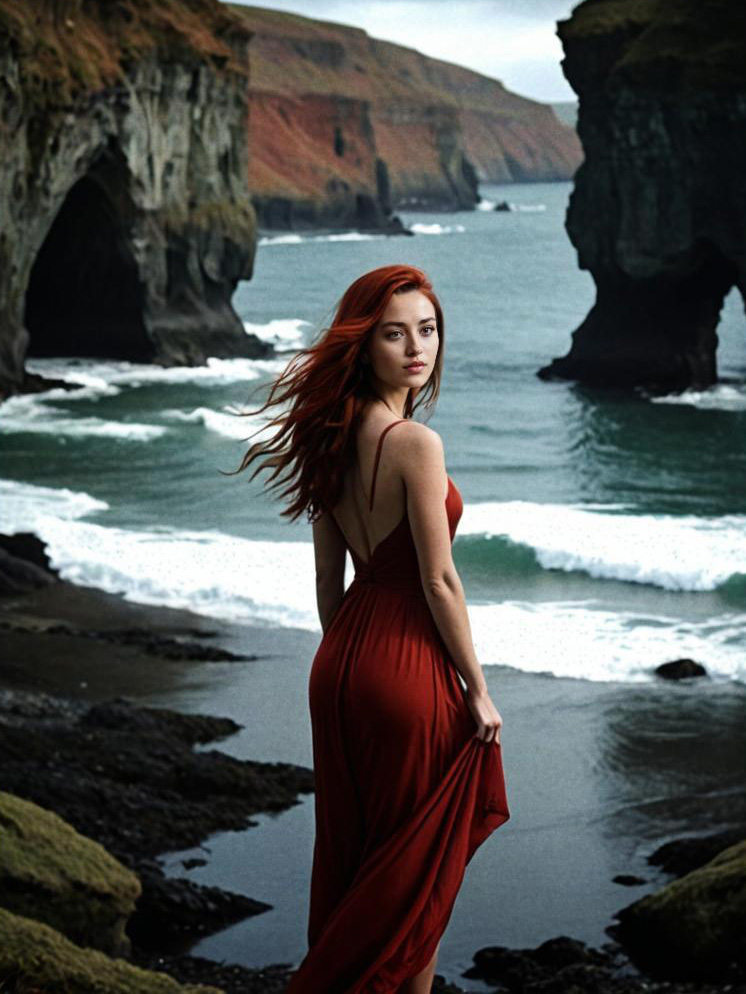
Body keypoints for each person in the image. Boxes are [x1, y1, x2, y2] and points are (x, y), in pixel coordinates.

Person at [227, 263, 510, 993]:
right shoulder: (415, 444)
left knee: (360, 861)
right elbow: (438, 579)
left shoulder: (329, 434)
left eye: (429, 328)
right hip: (406, 673)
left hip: (341, 664)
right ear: (365, 344)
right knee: (410, 883)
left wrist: (347, 658)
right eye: (395, 333)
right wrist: (476, 689)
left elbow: (330, 581)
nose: (419, 347)